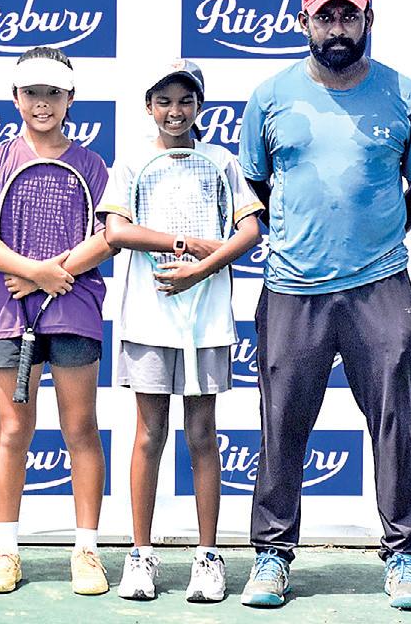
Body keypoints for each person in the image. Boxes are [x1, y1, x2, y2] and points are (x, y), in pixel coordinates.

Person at [237, 0, 411, 611]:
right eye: (324, 17)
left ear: (368, 20)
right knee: (282, 426)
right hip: (291, 288)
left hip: (380, 286)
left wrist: (375, 238)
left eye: (348, 16)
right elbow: (261, 189)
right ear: (305, 23)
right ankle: (271, 557)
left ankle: (405, 558)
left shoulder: (407, 97)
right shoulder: (269, 97)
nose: (337, 29)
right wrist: (306, 239)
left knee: (393, 423)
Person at [98, 59, 262, 602]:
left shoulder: (222, 162)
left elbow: (249, 230)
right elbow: (117, 231)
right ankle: (141, 556)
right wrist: (185, 246)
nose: (175, 111)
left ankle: (207, 557)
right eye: (163, 101)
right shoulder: (132, 162)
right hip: (148, 317)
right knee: (148, 434)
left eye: (185, 101)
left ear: (200, 106)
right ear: (149, 106)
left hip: (208, 321)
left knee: (202, 436)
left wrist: (204, 268)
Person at [0, 47, 118, 595]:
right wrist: (32, 273)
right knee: (12, 431)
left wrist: (51, 275)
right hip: (13, 315)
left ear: (70, 98)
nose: (42, 103)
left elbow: (107, 238)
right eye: (32, 93)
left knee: (80, 430)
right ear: (15, 98)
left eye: (53, 93)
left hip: (75, 312)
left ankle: (87, 551)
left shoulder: (94, 165)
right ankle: (5, 552)